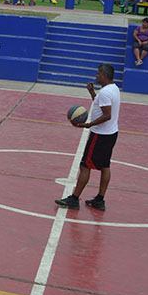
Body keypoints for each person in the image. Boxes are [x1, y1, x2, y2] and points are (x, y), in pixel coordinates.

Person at [55, 64, 121, 211]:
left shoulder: (105, 93)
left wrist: (89, 124)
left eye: (98, 74)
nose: (96, 76)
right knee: (105, 166)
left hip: (100, 135)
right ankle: (100, 199)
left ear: (104, 75)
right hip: (111, 134)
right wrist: (92, 93)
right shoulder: (114, 89)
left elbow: (107, 115)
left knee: (85, 165)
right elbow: (100, 106)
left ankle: (74, 198)